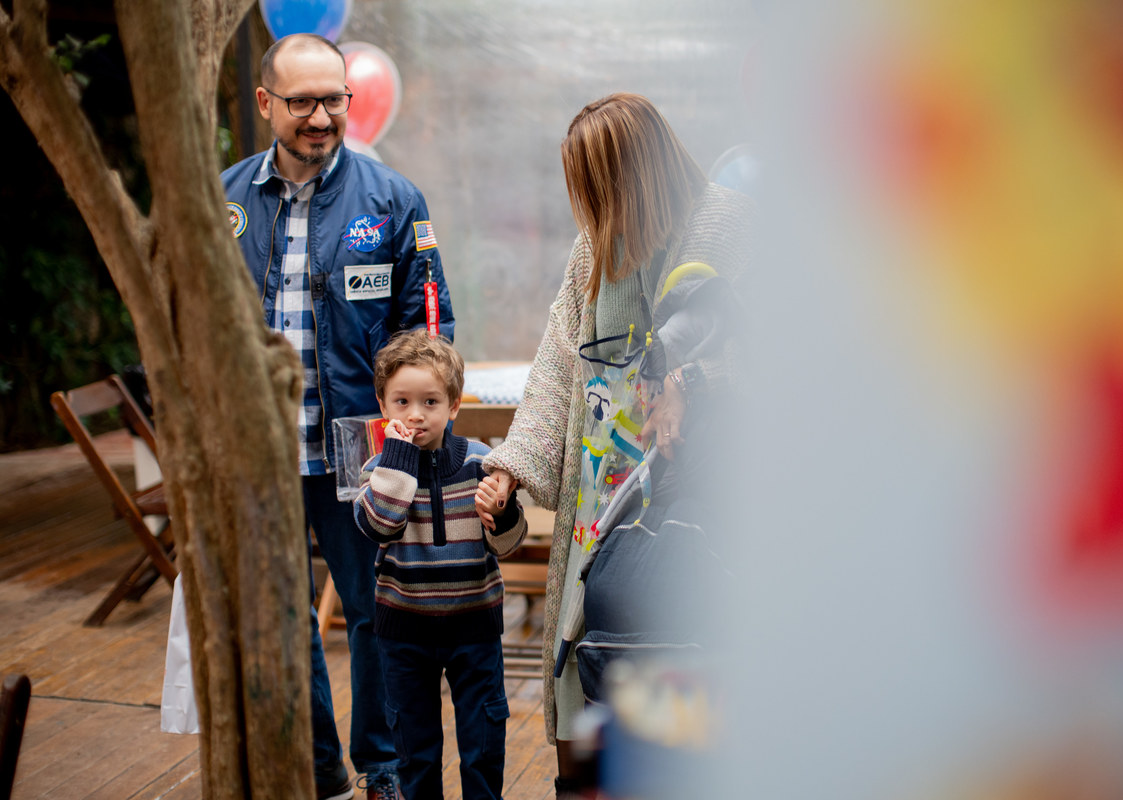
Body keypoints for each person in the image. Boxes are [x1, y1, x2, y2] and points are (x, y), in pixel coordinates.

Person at [476, 93, 755, 795]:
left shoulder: (726, 225)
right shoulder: (593, 249)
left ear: (645, 170)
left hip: (697, 502)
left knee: (674, 671)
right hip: (603, 503)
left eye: (601, 186)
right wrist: (510, 470)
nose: (592, 207)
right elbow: (554, 371)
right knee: (584, 676)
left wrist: (696, 377)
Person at [221, 33, 454, 800]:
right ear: (265, 104)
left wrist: (411, 437)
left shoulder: (392, 199)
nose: (322, 117)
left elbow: (427, 328)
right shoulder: (221, 202)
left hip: (360, 453)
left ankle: (382, 771)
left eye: (334, 100)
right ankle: (317, 771)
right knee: (282, 615)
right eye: (302, 102)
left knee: (373, 614)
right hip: (258, 453)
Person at [353, 330, 527, 800]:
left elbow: (508, 543)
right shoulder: (377, 471)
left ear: (453, 406)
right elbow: (380, 526)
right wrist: (400, 460)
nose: (415, 414)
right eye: (402, 402)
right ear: (382, 405)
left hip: (474, 631)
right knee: (416, 750)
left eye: (430, 401)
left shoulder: (481, 463)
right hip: (404, 635)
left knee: (483, 746)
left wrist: (502, 512)